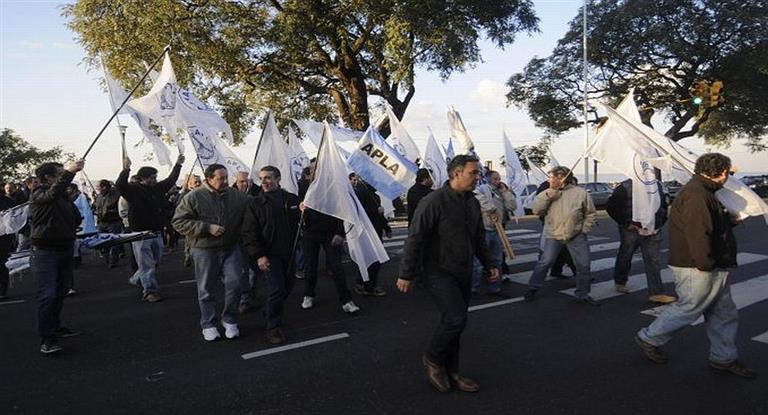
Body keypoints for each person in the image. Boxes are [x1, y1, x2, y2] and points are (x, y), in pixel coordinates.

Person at [635, 153, 756, 379]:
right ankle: (649, 337)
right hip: (698, 265)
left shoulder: (703, 191)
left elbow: (708, 225)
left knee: (722, 313)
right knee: (690, 307)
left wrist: (729, 221)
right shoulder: (698, 195)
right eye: (728, 172)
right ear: (721, 173)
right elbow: (698, 234)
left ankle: (724, 358)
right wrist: (706, 264)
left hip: (709, 263)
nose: (729, 177)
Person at [397, 155, 499, 393]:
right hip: (437, 271)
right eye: (473, 173)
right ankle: (432, 358)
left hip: (463, 270)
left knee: (456, 323)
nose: (478, 177)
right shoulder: (433, 201)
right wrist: (406, 273)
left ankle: (453, 372)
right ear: (456, 173)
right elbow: (415, 237)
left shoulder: (473, 202)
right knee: (455, 319)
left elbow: (478, 237)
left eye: (478, 172)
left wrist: (489, 263)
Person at [173, 163, 248, 341]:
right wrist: (206, 228)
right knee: (206, 289)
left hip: (230, 247)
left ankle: (229, 319)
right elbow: (178, 222)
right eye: (220, 178)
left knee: (236, 283)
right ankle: (208, 323)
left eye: (226, 177)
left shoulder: (236, 196)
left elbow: (255, 207)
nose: (224, 181)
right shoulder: (194, 197)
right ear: (209, 179)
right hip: (204, 249)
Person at [29, 159, 85, 354]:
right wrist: (71, 172)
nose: (64, 177)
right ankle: (47, 338)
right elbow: (52, 193)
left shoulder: (62, 196)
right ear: (48, 177)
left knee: (60, 291)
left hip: (65, 247)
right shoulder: (40, 193)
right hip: (45, 251)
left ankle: (55, 325)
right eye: (60, 174)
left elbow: (76, 217)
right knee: (48, 294)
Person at [241, 166, 301, 344]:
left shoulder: (291, 199)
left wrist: (305, 211)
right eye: (261, 178)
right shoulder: (256, 203)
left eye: (268, 178)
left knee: (287, 288)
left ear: (278, 178)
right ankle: (273, 327)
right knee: (276, 289)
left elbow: (303, 221)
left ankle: (269, 312)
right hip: (269, 255)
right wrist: (259, 255)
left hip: (289, 253)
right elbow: (249, 232)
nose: (264, 182)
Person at [524, 166, 599, 305]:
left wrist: (584, 229)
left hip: (576, 234)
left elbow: (590, 213)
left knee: (583, 265)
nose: (549, 180)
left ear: (562, 177)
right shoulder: (547, 192)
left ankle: (582, 294)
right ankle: (532, 288)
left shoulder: (580, 193)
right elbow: (536, 210)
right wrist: (548, 195)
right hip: (554, 234)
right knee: (545, 262)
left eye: (552, 177)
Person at [116, 154, 184, 302]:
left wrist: (178, 165)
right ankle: (150, 291)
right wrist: (126, 169)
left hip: (156, 232)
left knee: (155, 261)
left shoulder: (158, 188)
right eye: (151, 178)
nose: (154, 180)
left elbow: (170, 179)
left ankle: (137, 277)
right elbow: (120, 185)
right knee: (147, 264)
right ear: (142, 178)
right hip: (140, 233)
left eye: (155, 177)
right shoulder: (133, 190)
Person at [606, 178, 676, 304]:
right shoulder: (625, 187)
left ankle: (656, 292)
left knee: (653, 261)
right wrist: (626, 223)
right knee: (626, 255)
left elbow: (664, 204)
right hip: (632, 229)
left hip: (653, 228)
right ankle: (620, 281)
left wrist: (661, 222)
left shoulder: (658, 185)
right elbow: (611, 207)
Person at [300, 198, 360, 314]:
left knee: (336, 267)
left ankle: (346, 301)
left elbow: (342, 209)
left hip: (331, 232)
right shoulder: (305, 185)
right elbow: (295, 202)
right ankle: (308, 294)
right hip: (310, 232)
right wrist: (300, 208)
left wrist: (340, 233)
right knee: (310, 266)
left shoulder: (333, 185)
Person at [349, 173, 387, 297]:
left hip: (375, 230)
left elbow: (379, 215)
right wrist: (376, 211)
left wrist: (387, 227)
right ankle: (370, 286)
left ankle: (362, 282)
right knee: (374, 260)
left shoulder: (374, 195)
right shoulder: (359, 193)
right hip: (368, 231)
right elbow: (361, 212)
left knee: (369, 259)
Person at [93, 179, 123, 268]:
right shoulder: (99, 196)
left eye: (98, 187)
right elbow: (95, 206)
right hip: (101, 222)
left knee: (114, 242)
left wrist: (110, 212)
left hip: (113, 222)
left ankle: (113, 261)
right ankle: (107, 259)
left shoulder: (116, 195)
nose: (97, 188)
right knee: (103, 242)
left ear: (104, 187)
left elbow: (119, 208)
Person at [0, 192, 15, 299]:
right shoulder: (8, 201)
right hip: (5, 235)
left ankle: (2, 289)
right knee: (2, 263)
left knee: (2, 263)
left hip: (4, 235)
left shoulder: (7, 201)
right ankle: (2, 290)